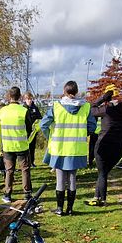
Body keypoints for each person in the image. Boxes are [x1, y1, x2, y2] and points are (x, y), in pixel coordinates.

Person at [40, 81, 96, 216]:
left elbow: (44, 125)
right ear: (76, 92)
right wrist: (82, 133)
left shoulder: (56, 106)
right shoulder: (86, 107)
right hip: (76, 149)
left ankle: (59, 208)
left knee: (60, 179)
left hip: (59, 148)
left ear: (64, 91)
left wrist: (50, 138)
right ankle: (70, 209)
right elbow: (92, 127)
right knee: (72, 179)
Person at [85, 84, 122, 206]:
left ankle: (103, 200)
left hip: (104, 144)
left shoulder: (106, 109)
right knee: (103, 173)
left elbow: (91, 109)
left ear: (108, 96)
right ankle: (97, 197)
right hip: (119, 146)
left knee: (102, 173)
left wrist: (102, 98)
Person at [0, 87, 33, 203]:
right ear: (20, 96)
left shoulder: (2, 111)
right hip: (21, 145)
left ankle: (7, 194)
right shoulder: (23, 111)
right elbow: (29, 128)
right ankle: (27, 194)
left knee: (9, 170)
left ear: (9, 96)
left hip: (7, 146)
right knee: (25, 170)